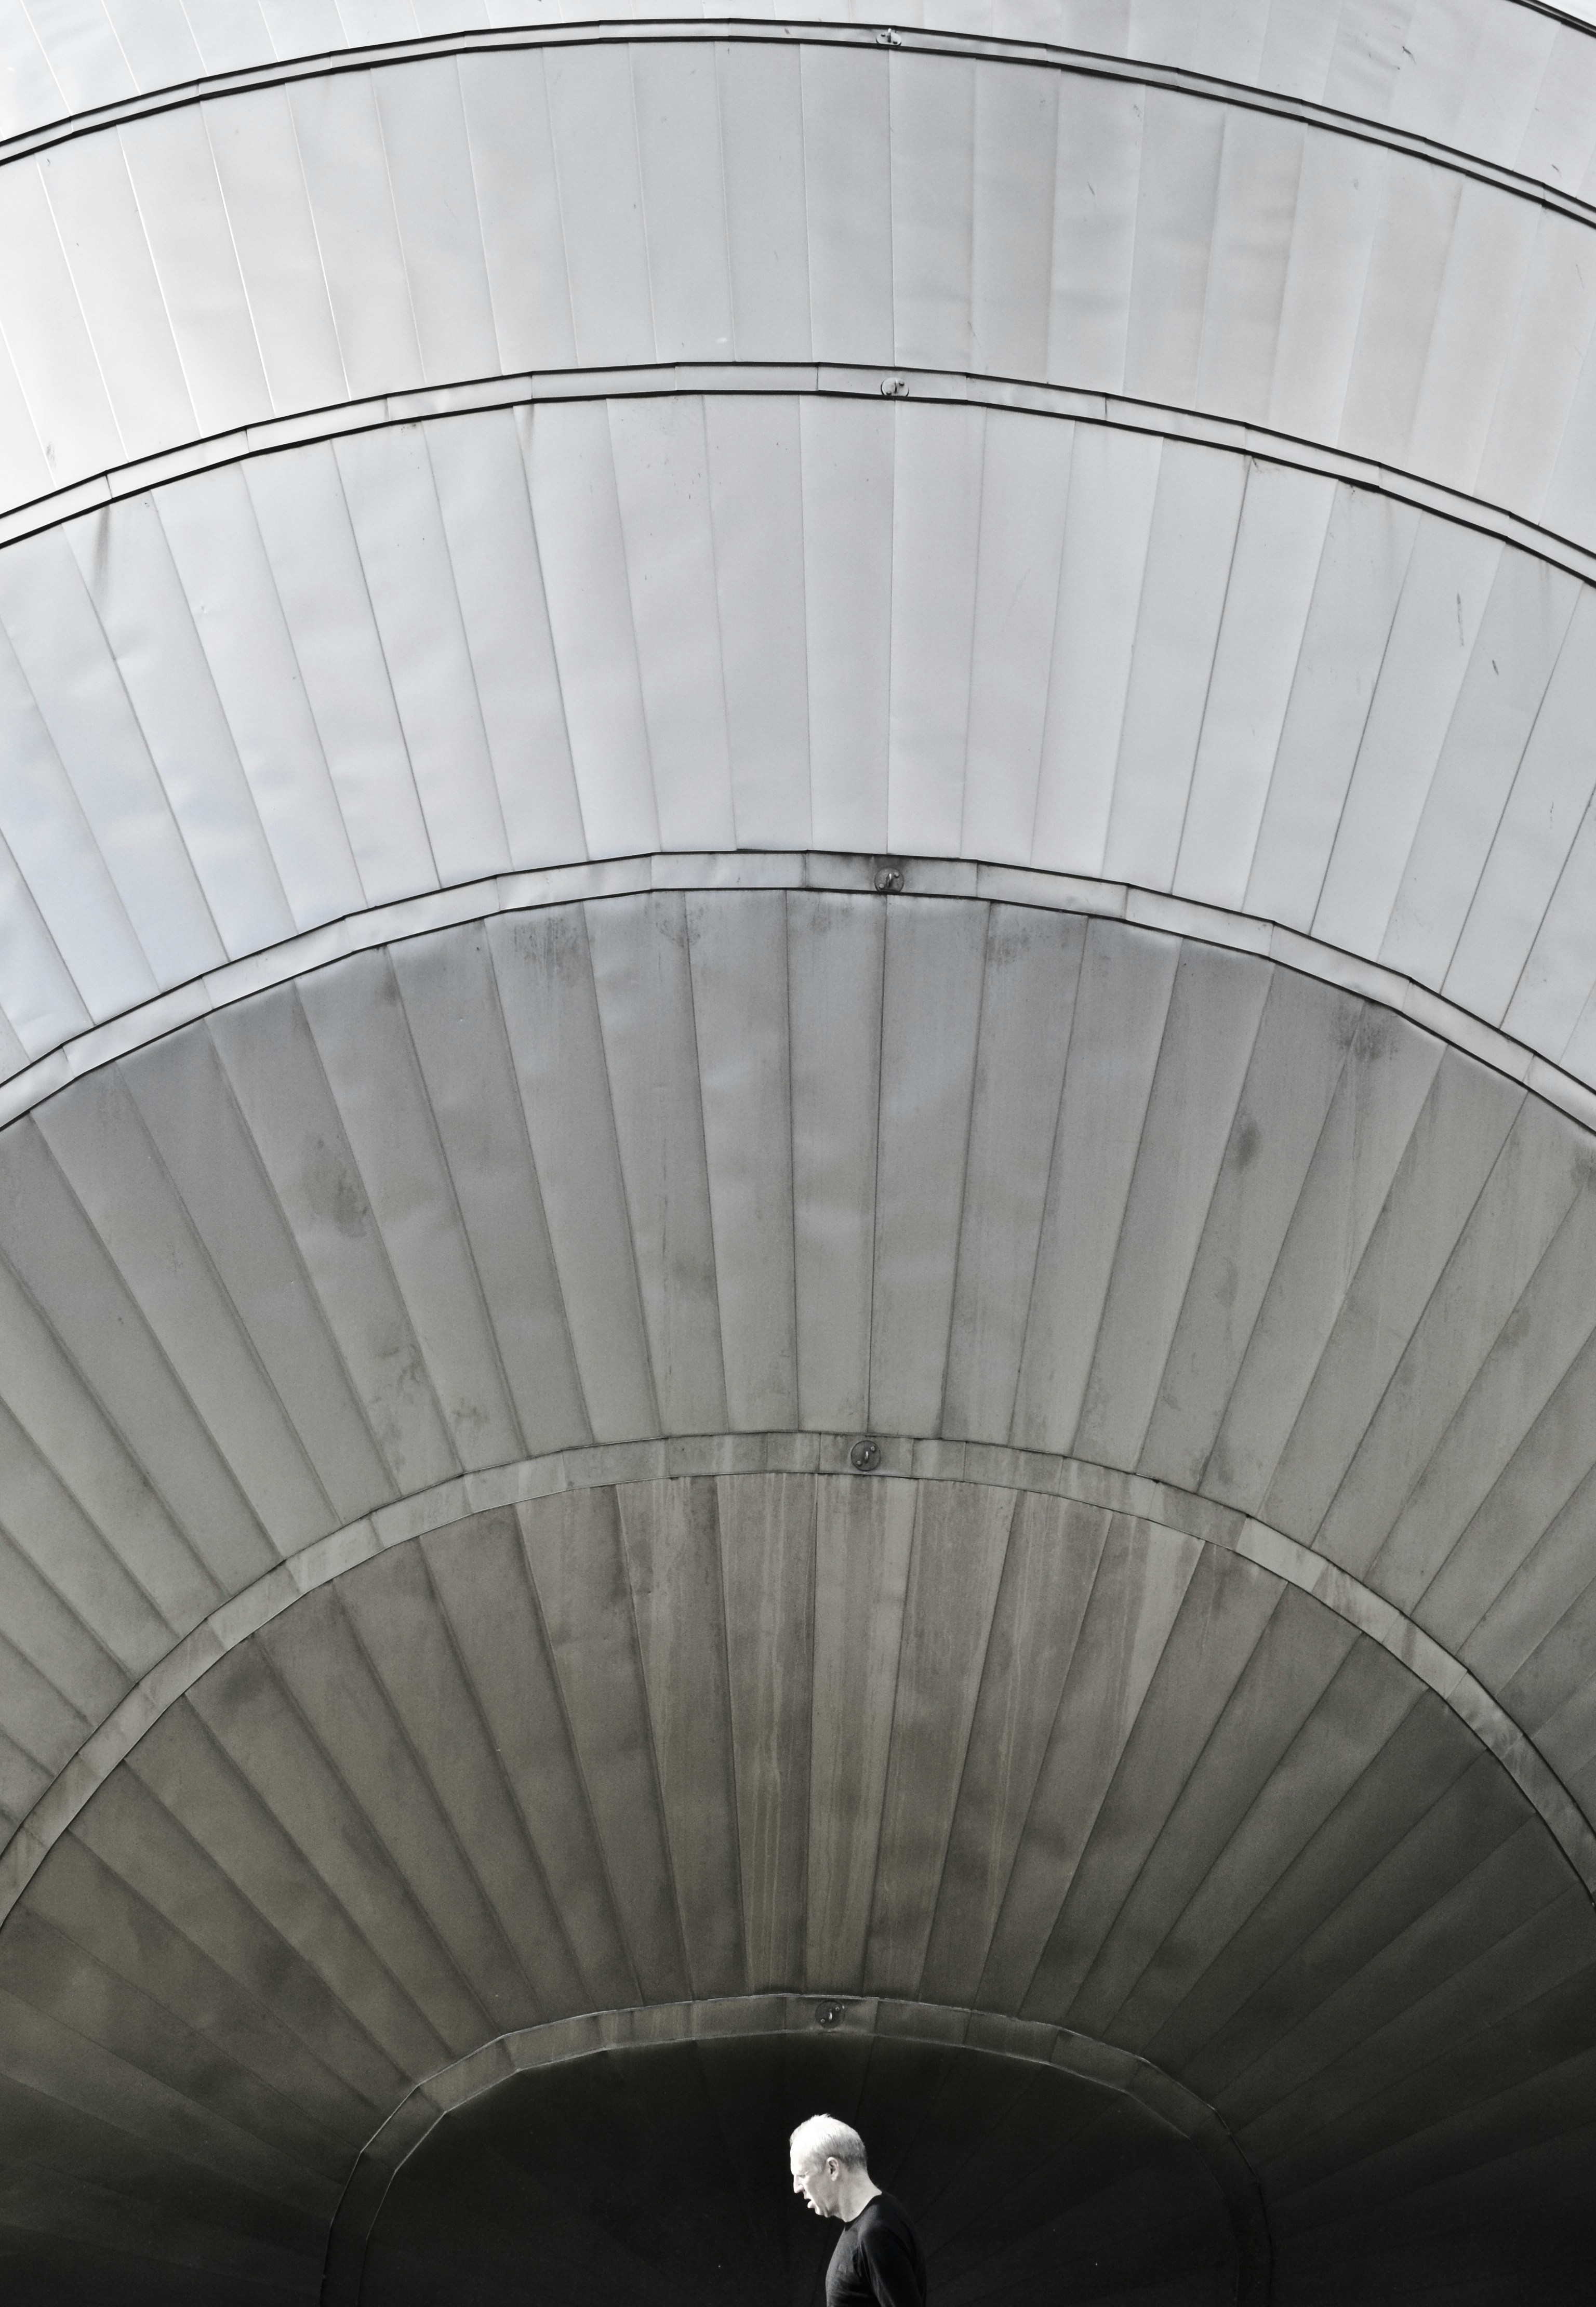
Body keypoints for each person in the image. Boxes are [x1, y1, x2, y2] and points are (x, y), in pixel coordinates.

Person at [789, 2115, 927, 2307]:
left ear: (832, 2168)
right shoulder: (879, 2219)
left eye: (802, 2175)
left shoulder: (876, 2233)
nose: (796, 2187)